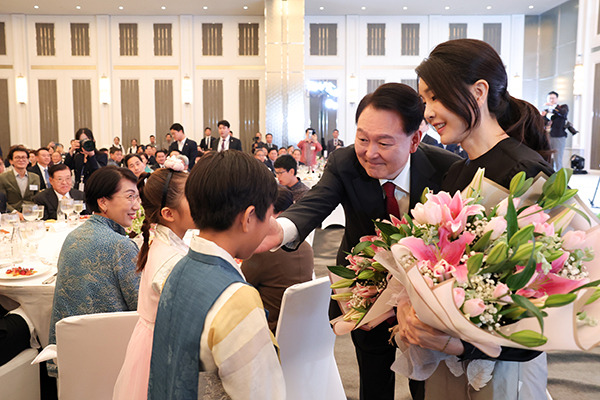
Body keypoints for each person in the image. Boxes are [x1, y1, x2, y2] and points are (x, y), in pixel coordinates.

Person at [256, 83, 461, 400]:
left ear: (415, 140)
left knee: (427, 380)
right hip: (364, 289)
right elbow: (316, 202)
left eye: (384, 142)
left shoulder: (447, 169)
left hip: (426, 295)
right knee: (373, 375)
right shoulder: (345, 162)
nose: (370, 152)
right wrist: (280, 229)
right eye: (363, 139)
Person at [407, 38, 554, 399]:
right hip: (449, 362)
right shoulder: (456, 174)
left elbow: (542, 307)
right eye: (425, 100)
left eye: (435, 97)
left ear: (479, 91)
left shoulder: (525, 172)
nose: (427, 111)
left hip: (503, 370)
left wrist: (465, 347)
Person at [147, 150, 285, 399]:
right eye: (270, 214)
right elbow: (262, 392)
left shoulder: (178, 269)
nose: (270, 226)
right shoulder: (236, 297)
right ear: (249, 217)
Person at [47, 166, 141, 376]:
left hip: (71, 355)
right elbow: (141, 307)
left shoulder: (74, 235)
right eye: (130, 197)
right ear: (103, 202)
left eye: (137, 197)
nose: (137, 206)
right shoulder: (120, 245)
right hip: (111, 357)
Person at [114, 161, 194, 400]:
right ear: (168, 214)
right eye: (194, 197)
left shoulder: (163, 243)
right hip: (163, 349)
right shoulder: (170, 261)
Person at [241, 186, 313, 332]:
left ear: (279, 214)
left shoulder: (264, 251)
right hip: (303, 330)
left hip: (269, 330)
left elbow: (241, 287)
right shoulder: (305, 245)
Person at [0, 145, 41, 213]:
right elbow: (2, 201)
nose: (21, 160)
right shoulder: (3, 177)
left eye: (23, 157)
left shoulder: (35, 177)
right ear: (11, 161)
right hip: (11, 215)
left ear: (28, 161)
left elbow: (37, 198)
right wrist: (14, 212)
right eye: (17, 157)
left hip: (31, 214)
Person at [541, 91, 569, 171]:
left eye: (553, 98)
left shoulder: (562, 107)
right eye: (549, 98)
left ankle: (559, 179)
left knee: (557, 158)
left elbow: (563, 113)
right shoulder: (546, 110)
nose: (551, 100)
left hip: (558, 136)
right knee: (547, 157)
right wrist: (543, 116)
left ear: (557, 99)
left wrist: (553, 107)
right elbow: (543, 122)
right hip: (547, 135)